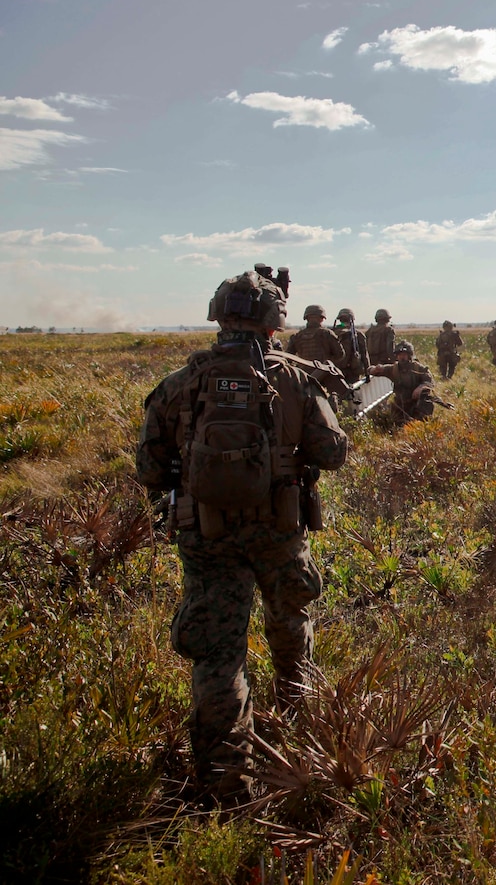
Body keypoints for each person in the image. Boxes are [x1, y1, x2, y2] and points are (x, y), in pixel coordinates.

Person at [135, 270, 349, 805]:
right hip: (279, 529)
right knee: (289, 619)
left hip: (207, 537)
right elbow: (333, 454)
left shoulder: (182, 381)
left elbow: (149, 467)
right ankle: (297, 719)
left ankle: (227, 780)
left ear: (218, 315)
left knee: (217, 653)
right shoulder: (297, 380)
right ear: (274, 323)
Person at [368, 340, 438, 425]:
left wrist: (421, 387)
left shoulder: (417, 367)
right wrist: (375, 369)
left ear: (409, 356)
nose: (402, 357)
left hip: (417, 403)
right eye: (400, 355)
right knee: (392, 422)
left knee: (423, 414)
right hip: (401, 404)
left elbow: (429, 381)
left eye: (404, 355)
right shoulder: (394, 369)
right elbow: (371, 370)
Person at [286, 304, 346, 369]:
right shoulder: (327, 334)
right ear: (322, 318)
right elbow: (340, 355)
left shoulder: (296, 336)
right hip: (325, 374)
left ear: (306, 318)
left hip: (304, 374)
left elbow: (288, 358)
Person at [332, 308, 369, 384]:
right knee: (354, 394)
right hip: (353, 372)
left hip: (335, 371)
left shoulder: (331, 333)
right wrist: (367, 373)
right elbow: (365, 356)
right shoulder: (358, 334)